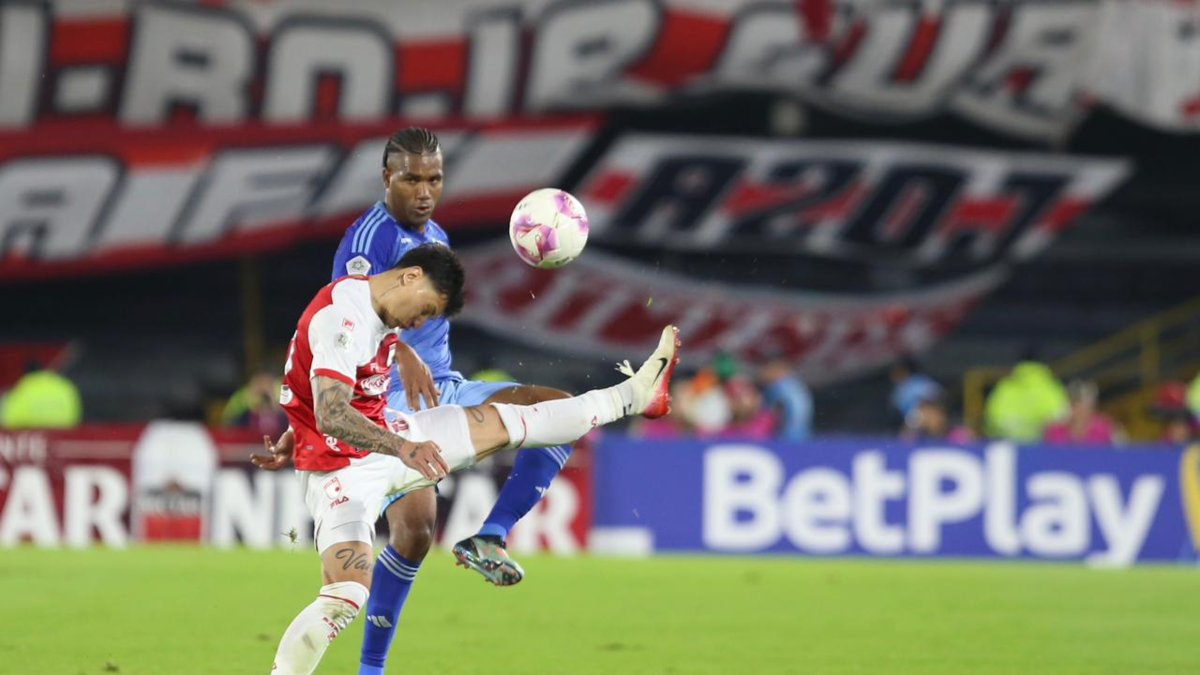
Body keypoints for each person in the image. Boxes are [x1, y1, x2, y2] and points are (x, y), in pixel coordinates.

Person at [254, 244, 680, 675]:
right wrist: (398, 447)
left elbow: (319, 383)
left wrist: (297, 428)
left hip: (392, 433)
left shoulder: (374, 307)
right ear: (410, 276)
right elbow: (331, 413)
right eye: (424, 310)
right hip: (341, 473)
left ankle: (633, 396)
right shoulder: (344, 317)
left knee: (518, 420)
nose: (419, 323)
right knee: (345, 596)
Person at [268, 127, 578, 673]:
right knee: (414, 534)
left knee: (559, 414)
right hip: (388, 397)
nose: (425, 191)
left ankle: (490, 535)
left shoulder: (435, 234)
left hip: (445, 385)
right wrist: (402, 352)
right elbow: (343, 317)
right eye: (411, 179)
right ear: (387, 178)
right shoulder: (367, 241)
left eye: (434, 179)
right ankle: (371, 668)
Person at [0, 360, 82, 429]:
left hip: (34, 439)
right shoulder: (64, 386)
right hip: (64, 435)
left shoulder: (23, 389)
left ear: (26, 374)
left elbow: (9, 421)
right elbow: (76, 413)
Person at [1042, 379, 1121, 446]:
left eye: (1084, 403)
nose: (1079, 409)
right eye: (1074, 402)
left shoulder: (1105, 427)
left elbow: (1121, 452)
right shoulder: (1054, 431)